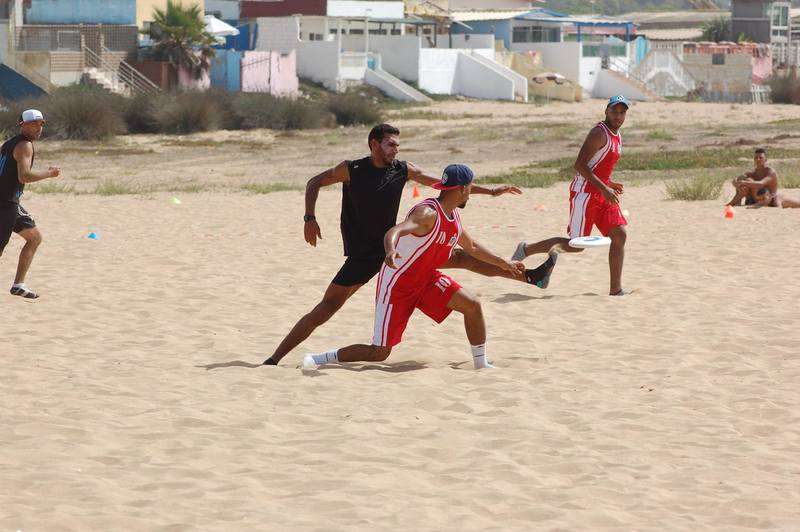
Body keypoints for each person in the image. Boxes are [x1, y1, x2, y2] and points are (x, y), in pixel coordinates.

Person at [263, 123, 556, 366]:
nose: (395, 150)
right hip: (368, 254)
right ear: (373, 144)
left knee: (468, 258)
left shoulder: (402, 169)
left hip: (403, 251)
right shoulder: (351, 169)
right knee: (327, 308)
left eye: (397, 146)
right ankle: (275, 358)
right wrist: (309, 217)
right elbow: (313, 182)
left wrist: (489, 191)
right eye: (390, 144)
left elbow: (443, 184)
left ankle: (531, 277)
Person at [302, 164, 519, 371]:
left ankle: (481, 364)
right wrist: (390, 250)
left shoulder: (453, 215)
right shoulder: (427, 214)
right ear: (462, 188)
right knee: (379, 352)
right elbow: (394, 231)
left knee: (472, 305)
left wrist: (504, 263)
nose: (471, 193)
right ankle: (319, 358)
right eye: (470, 187)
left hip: (425, 279)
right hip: (398, 283)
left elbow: (471, 246)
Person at [510, 95, 629, 296]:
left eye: (622, 112)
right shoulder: (599, 133)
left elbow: (597, 167)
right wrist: (603, 188)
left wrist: (608, 184)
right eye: (614, 111)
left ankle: (615, 290)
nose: (618, 116)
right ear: (606, 111)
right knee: (576, 246)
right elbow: (580, 166)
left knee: (620, 234)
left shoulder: (617, 136)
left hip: (601, 193)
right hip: (584, 194)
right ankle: (527, 249)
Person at [0, 109, 61, 300]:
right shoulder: (24, 145)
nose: (38, 127)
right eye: (34, 123)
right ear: (22, 125)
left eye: (41, 124)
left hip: (10, 202)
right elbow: (24, 176)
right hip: (4, 204)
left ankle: (18, 285)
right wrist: (49, 173)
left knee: (34, 238)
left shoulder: (9, 143)